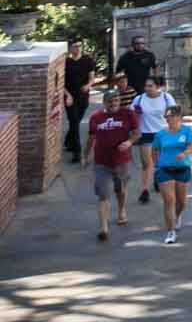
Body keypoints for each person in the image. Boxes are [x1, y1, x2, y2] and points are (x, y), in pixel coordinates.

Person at [84, 86, 137, 242]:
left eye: (116, 100)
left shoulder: (128, 114)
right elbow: (91, 138)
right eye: (110, 101)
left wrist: (129, 142)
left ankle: (121, 210)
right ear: (104, 102)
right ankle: (103, 228)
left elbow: (137, 133)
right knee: (103, 194)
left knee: (120, 189)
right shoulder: (96, 117)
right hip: (101, 161)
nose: (113, 103)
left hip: (121, 160)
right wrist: (85, 156)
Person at [151, 105, 192, 245]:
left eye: (169, 116)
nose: (167, 119)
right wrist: (156, 165)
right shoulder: (160, 134)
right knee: (169, 201)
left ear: (178, 117)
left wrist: (184, 154)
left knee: (182, 202)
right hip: (165, 170)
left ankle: (178, 216)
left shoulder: (187, 131)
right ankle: (171, 232)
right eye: (166, 117)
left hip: (183, 169)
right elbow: (154, 149)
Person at [129, 76, 176, 205]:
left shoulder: (166, 98)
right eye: (146, 86)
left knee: (161, 161)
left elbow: (174, 115)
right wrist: (135, 126)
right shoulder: (139, 99)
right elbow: (131, 115)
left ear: (158, 87)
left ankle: (157, 176)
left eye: (150, 86)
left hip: (163, 133)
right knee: (146, 163)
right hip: (145, 133)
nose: (147, 88)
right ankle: (145, 191)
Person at [62, 40, 96, 164]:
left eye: (80, 46)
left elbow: (92, 78)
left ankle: (68, 141)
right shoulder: (66, 62)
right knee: (75, 123)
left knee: (75, 122)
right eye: (75, 46)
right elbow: (60, 83)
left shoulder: (88, 60)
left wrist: (88, 85)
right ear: (70, 48)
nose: (78, 48)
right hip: (69, 97)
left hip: (83, 97)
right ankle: (77, 153)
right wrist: (67, 95)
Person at [114, 37, 157, 112]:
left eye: (142, 43)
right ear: (133, 45)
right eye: (138, 43)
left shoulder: (149, 55)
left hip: (145, 86)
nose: (140, 45)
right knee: (131, 109)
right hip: (130, 88)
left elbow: (155, 68)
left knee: (144, 108)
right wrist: (121, 85)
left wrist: (155, 82)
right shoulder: (125, 57)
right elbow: (118, 73)